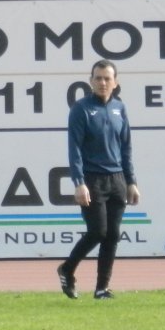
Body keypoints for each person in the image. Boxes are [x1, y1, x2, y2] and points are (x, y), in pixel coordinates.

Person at [57, 59, 142, 300]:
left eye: (107, 78)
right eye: (98, 78)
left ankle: (102, 288)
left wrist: (131, 181)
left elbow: (126, 147)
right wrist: (79, 182)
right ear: (91, 81)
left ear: (115, 83)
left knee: (113, 234)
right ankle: (67, 269)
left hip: (117, 179)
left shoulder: (120, 108)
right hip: (92, 180)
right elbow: (74, 149)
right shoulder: (81, 109)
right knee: (98, 231)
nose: (102, 82)